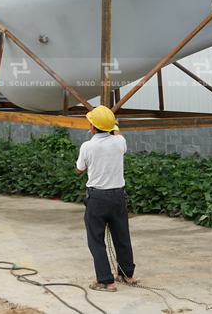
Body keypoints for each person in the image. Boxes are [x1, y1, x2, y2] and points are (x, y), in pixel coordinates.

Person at [76, 105, 136, 291]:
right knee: (122, 237)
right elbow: (118, 135)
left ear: (93, 127)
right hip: (118, 196)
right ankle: (128, 276)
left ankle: (106, 281)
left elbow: (80, 169)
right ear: (111, 127)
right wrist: (115, 127)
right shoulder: (119, 143)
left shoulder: (88, 146)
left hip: (97, 198)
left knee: (96, 240)